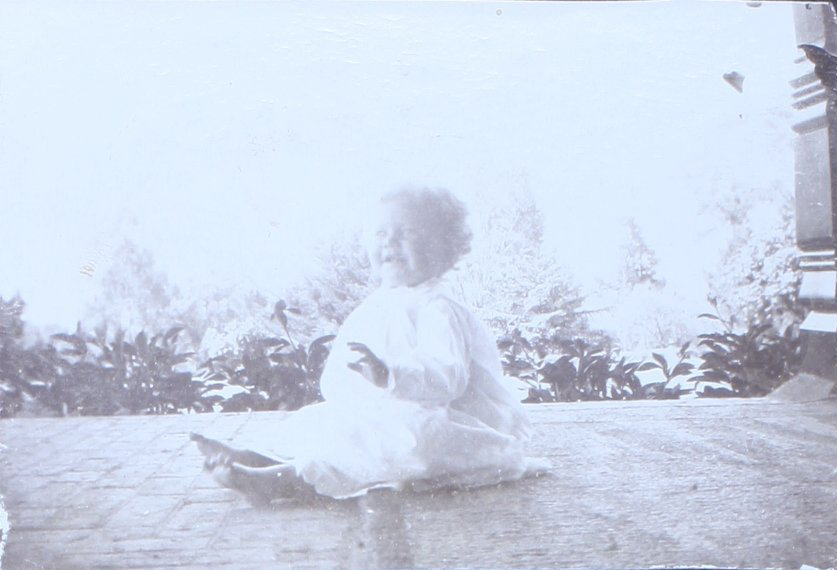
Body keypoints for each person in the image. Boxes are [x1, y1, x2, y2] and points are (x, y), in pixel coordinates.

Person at [192, 187, 537, 502]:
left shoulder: (440, 309)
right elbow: (340, 374)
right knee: (325, 422)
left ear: (445, 248)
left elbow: (448, 378)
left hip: (454, 417)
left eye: (408, 233)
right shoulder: (377, 305)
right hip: (391, 409)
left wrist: (390, 375)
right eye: (381, 234)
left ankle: (281, 481)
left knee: (411, 439)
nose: (391, 243)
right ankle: (254, 457)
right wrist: (357, 394)